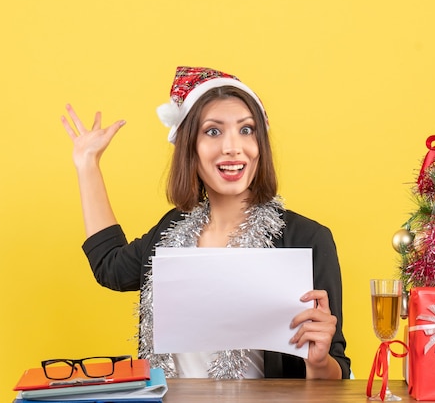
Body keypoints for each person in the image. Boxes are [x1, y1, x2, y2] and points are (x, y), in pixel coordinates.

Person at [61, 66, 351, 380]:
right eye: (213, 131)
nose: (232, 147)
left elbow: (336, 373)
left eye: (246, 129)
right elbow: (110, 266)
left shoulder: (307, 239)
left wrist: (319, 362)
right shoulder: (170, 232)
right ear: (190, 148)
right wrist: (87, 164)